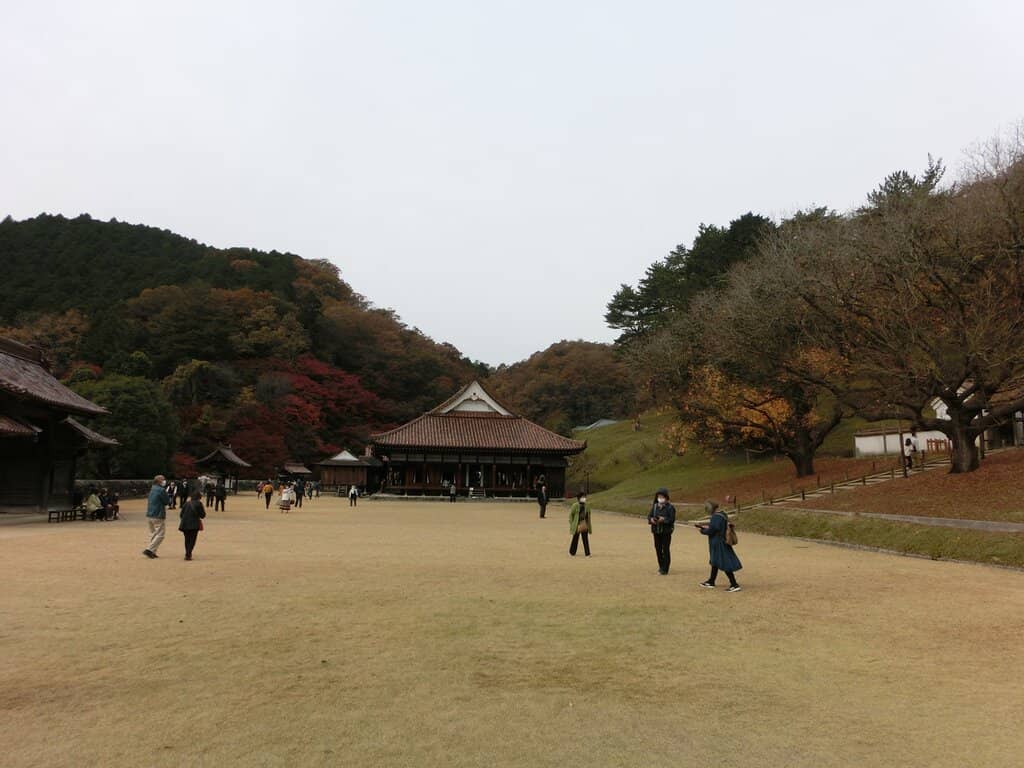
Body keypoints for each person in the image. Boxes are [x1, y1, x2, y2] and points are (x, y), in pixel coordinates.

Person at [696, 500, 742, 591]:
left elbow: (712, 530)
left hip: (718, 542)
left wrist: (703, 531)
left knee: (724, 562)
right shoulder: (722, 514)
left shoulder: (716, 517)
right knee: (715, 561)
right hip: (721, 540)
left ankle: (734, 584)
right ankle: (711, 581)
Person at [648, 487, 676, 575]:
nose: (660, 498)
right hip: (656, 531)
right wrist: (651, 520)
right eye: (659, 496)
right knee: (658, 548)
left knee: (665, 549)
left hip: (666, 531)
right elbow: (649, 516)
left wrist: (663, 520)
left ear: (666, 497)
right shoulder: (655, 506)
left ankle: (665, 568)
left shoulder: (670, 508)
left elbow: (672, 519)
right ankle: (661, 566)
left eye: (662, 496)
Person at [143, 475, 171, 559]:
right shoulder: (161, 490)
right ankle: (149, 549)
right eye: (163, 480)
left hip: (150, 513)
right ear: (159, 481)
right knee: (160, 534)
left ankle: (152, 551)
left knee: (154, 533)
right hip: (158, 514)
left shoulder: (152, 488)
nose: (164, 481)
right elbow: (167, 501)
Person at [179, 491, 206, 561]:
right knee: (192, 540)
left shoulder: (186, 503)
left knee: (187, 539)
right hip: (194, 524)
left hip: (184, 524)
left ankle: (187, 553)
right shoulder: (199, 504)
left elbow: (181, 514)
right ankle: (188, 554)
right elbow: (203, 515)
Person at [568, 491, 592, 557]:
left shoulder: (587, 505)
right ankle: (572, 552)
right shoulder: (575, 505)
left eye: (585, 497)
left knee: (585, 539)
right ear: (578, 498)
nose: (584, 498)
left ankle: (587, 553)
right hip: (577, 524)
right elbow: (571, 515)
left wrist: (588, 525)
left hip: (584, 523)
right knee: (575, 538)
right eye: (583, 497)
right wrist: (572, 523)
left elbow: (588, 515)